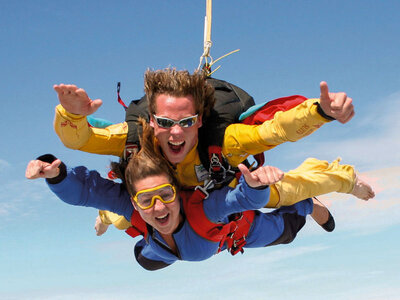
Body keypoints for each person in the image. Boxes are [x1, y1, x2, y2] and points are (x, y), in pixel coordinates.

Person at [53, 68, 374, 232]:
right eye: (165, 122)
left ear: (200, 120)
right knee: (125, 218)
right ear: (151, 121)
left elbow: (276, 130)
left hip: (221, 186)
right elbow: (79, 139)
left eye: (186, 121)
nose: (176, 132)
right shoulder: (134, 136)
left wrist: (320, 111)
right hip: (162, 194)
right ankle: (104, 217)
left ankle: (342, 178)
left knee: (291, 191)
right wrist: (71, 115)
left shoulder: (224, 140)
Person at [26, 121, 335, 271]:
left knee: (288, 231)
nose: (159, 206)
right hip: (163, 248)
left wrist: (255, 188)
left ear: (176, 190)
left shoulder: (204, 209)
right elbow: (86, 191)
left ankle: (308, 203)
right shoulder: (130, 205)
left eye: (165, 194)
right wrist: (57, 174)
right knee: (143, 257)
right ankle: (109, 219)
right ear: (133, 200)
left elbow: (239, 201)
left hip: (240, 231)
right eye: (146, 199)